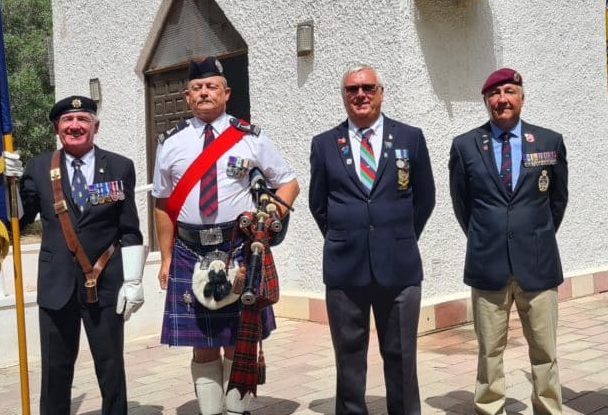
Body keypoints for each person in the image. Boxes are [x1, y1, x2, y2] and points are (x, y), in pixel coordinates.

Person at [152, 57, 299, 415]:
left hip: (238, 248)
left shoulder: (249, 138)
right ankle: (210, 411)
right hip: (189, 249)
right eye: (197, 88)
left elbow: (289, 183)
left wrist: (270, 217)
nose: (204, 92)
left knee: (238, 339)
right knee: (201, 344)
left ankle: (238, 411)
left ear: (226, 93)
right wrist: (167, 258)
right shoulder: (171, 142)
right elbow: (162, 203)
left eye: (212, 86)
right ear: (187, 96)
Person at [308, 64, 436, 415]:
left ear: (380, 92)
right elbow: (318, 204)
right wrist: (348, 238)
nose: (360, 95)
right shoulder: (324, 144)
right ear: (343, 96)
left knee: (401, 355)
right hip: (344, 268)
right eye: (352, 89)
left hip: (399, 266)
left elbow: (424, 198)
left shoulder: (410, 138)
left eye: (367, 87)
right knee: (348, 357)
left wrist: (399, 238)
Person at [8, 95, 145, 415]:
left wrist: (134, 279)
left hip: (105, 284)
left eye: (83, 119)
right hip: (57, 284)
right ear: (57, 128)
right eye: (68, 121)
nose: (75, 126)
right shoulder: (40, 167)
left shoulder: (119, 166)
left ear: (96, 126)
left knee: (111, 364)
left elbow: (129, 228)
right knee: (55, 369)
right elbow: (19, 219)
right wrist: (9, 186)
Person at [448, 67, 568, 415]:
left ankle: (547, 408)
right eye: (495, 94)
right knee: (488, 351)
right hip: (489, 264)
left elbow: (557, 201)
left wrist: (536, 235)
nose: (502, 100)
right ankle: (489, 408)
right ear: (486, 101)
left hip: (538, 262)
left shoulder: (549, 142)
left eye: (509, 92)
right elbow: (462, 205)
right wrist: (489, 237)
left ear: (521, 97)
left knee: (545, 350)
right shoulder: (465, 145)